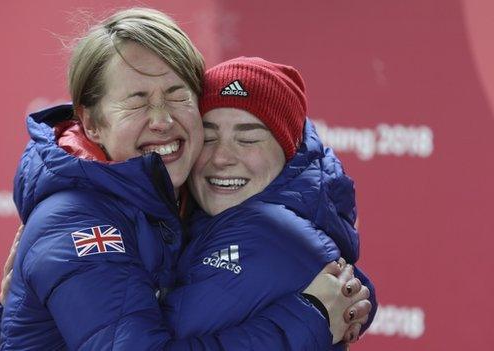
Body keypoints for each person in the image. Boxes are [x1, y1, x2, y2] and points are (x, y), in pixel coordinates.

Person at [0, 8, 372, 350]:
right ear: (92, 122)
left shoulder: (173, 198)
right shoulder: (79, 219)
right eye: (137, 100)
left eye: (177, 96)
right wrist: (309, 318)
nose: (162, 119)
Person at [160, 57, 376, 346]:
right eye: (208, 138)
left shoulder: (264, 232)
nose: (222, 158)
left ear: (288, 150)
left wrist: (309, 318)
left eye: (248, 140)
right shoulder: (212, 219)